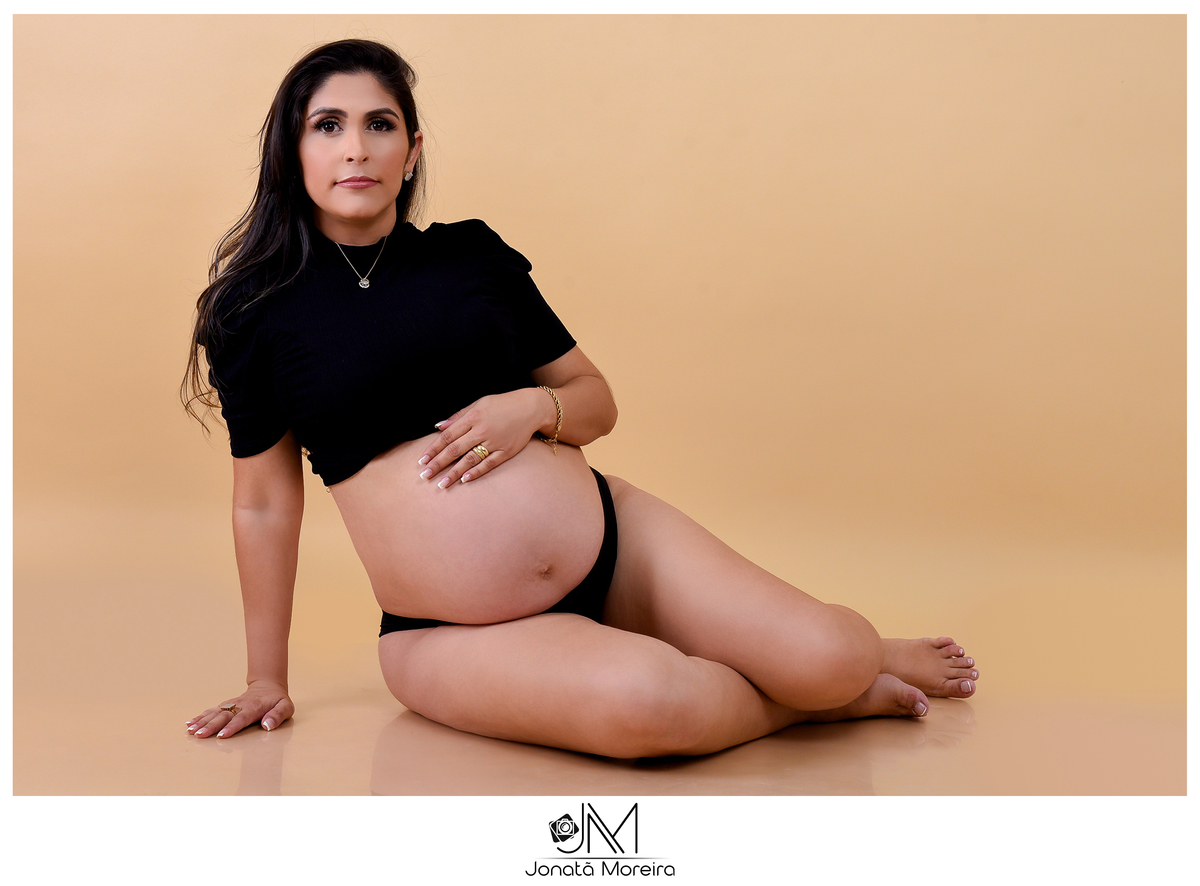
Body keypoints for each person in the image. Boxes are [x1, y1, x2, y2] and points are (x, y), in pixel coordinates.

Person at [182, 39, 978, 759]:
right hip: (447, 631)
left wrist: (533, 409)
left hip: (614, 542)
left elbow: (595, 401)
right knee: (652, 703)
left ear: (412, 149)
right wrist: (265, 678)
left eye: (379, 124)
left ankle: (840, 674)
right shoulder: (254, 309)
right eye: (327, 126)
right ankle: (811, 706)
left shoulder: (472, 258)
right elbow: (264, 505)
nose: (356, 148)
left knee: (833, 653)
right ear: (293, 149)